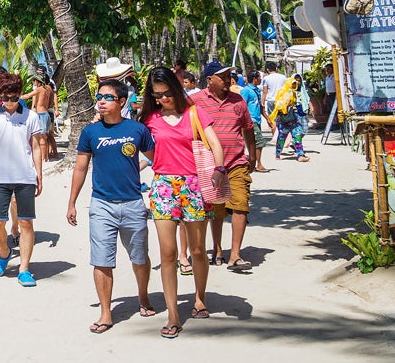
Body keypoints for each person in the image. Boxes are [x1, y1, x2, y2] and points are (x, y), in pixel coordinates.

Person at [140, 66, 226, 338]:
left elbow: (216, 146)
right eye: (156, 95)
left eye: (165, 94)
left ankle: (199, 297)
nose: (161, 99)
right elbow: (149, 152)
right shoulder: (150, 119)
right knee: (168, 253)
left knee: (198, 250)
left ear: (175, 89)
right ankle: (173, 314)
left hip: (193, 184)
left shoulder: (195, 113)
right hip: (164, 185)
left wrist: (220, 169)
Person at [67, 77, 157, 332]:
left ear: (121, 101)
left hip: (133, 204)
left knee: (139, 258)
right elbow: (81, 167)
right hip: (101, 205)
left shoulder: (137, 130)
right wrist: (72, 202)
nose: (101, 102)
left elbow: (156, 158)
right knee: (101, 260)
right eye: (99, 97)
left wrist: (144, 168)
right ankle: (106, 313)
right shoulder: (90, 132)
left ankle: (143, 295)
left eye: (108, 97)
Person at [0, 74, 49, 286]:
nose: (9, 101)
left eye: (14, 97)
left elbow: (36, 147)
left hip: (25, 175)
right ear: (0, 94)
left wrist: (39, 174)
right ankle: (4, 251)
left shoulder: (31, 116)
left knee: (26, 222)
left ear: (20, 94)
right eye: (6, 97)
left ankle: (24, 269)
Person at [190, 61, 259, 272]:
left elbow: (248, 129)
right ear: (210, 80)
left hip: (236, 162)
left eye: (229, 75)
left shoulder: (238, 101)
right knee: (216, 210)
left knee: (241, 205)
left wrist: (253, 156)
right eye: (223, 76)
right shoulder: (194, 101)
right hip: (209, 165)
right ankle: (217, 249)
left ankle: (235, 255)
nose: (228, 79)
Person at [269, 74, 308, 161]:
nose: (295, 85)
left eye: (296, 84)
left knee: (297, 135)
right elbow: (279, 105)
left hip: (294, 118)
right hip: (284, 118)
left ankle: (300, 155)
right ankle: (278, 154)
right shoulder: (282, 92)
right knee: (282, 137)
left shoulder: (294, 93)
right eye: (293, 84)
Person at [25, 68, 60, 159]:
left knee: (43, 136)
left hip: (43, 114)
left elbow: (29, 96)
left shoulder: (41, 89)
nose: (33, 82)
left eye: (34, 80)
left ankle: (45, 157)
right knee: (48, 135)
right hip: (47, 112)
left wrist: (16, 97)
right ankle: (49, 155)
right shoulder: (48, 88)